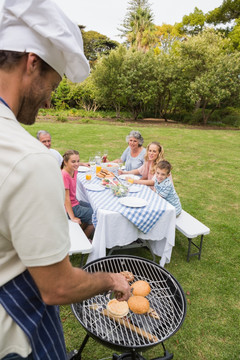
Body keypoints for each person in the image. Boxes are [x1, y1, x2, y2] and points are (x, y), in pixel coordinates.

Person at [0, 1, 131, 360]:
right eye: (53, 84)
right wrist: (110, 280)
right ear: (33, 62)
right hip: (13, 331)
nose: (50, 97)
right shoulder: (31, 158)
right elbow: (57, 287)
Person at [61, 150, 94, 239]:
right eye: (73, 162)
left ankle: (82, 232)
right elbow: (66, 199)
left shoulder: (74, 170)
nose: (76, 164)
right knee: (96, 216)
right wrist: (72, 217)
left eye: (78, 161)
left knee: (94, 206)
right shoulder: (64, 175)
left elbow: (76, 164)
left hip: (74, 202)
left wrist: (83, 164)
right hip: (69, 207)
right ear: (65, 162)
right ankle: (84, 239)